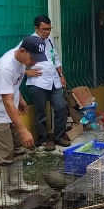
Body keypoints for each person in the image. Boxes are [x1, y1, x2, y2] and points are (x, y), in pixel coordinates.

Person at [0, 36, 47, 208]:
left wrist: (21, 100)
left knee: (17, 149)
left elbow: (13, 86)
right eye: (32, 58)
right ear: (22, 51)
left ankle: (17, 183)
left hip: (9, 112)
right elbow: (7, 100)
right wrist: (23, 129)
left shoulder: (22, 60)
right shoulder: (6, 67)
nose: (33, 63)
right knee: (1, 154)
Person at [22, 15, 69, 150]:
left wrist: (61, 75)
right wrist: (26, 72)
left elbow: (55, 58)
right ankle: (42, 140)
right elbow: (16, 59)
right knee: (40, 113)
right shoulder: (29, 42)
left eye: (49, 29)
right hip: (38, 82)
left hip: (54, 80)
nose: (47, 32)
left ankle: (59, 137)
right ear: (36, 28)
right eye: (44, 29)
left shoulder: (49, 41)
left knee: (61, 107)